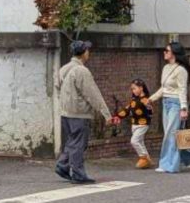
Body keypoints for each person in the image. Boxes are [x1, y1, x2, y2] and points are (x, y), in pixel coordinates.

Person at [54, 40, 113, 184]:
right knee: (79, 144)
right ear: (84, 52)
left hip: (65, 112)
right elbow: (93, 94)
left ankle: (63, 165)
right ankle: (78, 174)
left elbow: (57, 87)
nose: (88, 52)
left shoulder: (64, 69)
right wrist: (106, 114)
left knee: (72, 141)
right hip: (79, 113)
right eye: (87, 50)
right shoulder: (81, 71)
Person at [148, 41, 190, 173]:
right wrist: (151, 98)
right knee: (171, 135)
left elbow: (182, 90)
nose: (164, 52)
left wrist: (183, 109)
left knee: (170, 135)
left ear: (174, 53)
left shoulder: (181, 70)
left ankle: (168, 165)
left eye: (167, 51)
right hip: (165, 103)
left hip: (176, 104)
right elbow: (163, 88)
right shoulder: (166, 68)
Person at [111, 78, 154, 169]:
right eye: (132, 89)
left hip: (143, 124)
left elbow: (150, 111)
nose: (133, 91)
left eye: (134, 88)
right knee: (140, 142)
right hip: (134, 124)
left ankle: (143, 157)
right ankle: (148, 159)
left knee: (134, 141)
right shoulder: (134, 100)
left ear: (141, 88)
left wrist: (149, 109)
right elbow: (127, 110)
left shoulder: (145, 100)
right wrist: (118, 116)